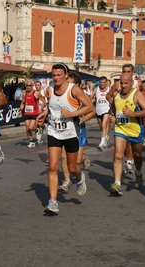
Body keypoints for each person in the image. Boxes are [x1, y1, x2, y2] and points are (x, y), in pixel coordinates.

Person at [36, 63, 93, 215]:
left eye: (59, 75)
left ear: (66, 75)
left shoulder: (74, 89)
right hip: (54, 131)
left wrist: (73, 114)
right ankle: (53, 202)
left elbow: (89, 107)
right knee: (53, 167)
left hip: (71, 132)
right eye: (54, 75)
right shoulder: (50, 89)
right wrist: (44, 113)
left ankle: (80, 178)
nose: (56, 78)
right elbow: (53, 105)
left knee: (72, 167)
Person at [108, 72, 145, 196]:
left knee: (137, 154)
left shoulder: (137, 95)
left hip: (135, 130)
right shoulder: (116, 96)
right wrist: (113, 118)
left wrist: (132, 114)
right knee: (118, 155)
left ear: (132, 83)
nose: (124, 85)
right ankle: (117, 183)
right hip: (120, 129)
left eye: (126, 83)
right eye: (121, 83)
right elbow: (114, 111)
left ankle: (138, 173)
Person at [59, 71, 94, 191]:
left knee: (77, 160)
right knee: (63, 156)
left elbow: (92, 111)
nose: (67, 85)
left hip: (78, 129)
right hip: (65, 128)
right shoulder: (63, 94)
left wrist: (81, 120)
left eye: (70, 83)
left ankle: (84, 157)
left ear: (77, 85)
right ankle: (67, 180)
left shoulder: (83, 96)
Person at [106, 64, 137, 174]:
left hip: (134, 119)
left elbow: (144, 101)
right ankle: (124, 162)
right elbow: (108, 95)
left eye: (129, 71)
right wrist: (112, 102)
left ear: (133, 72)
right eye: (124, 71)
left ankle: (130, 160)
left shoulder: (138, 84)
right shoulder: (117, 84)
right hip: (120, 119)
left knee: (131, 145)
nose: (126, 73)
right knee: (121, 144)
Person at [19, 79, 45, 148]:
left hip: (34, 113)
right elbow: (23, 102)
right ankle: (31, 141)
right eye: (27, 85)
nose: (28, 87)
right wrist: (20, 109)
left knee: (30, 127)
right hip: (27, 113)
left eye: (30, 85)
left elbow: (43, 100)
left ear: (32, 86)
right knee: (27, 128)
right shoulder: (24, 93)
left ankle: (36, 129)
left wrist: (41, 108)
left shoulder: (36, 93)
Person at [90, 76, 110, 149]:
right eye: (101, 82)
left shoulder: (109, 89)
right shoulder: (96, 89)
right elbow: (91, 97)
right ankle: (105, 137)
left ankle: (101, 143)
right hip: (98, 109)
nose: (102, 84)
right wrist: (91, 100)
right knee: (101, 127)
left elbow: (113, 98)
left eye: (103, 82)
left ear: (106, 83)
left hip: (106, 109)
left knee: (104, 125)